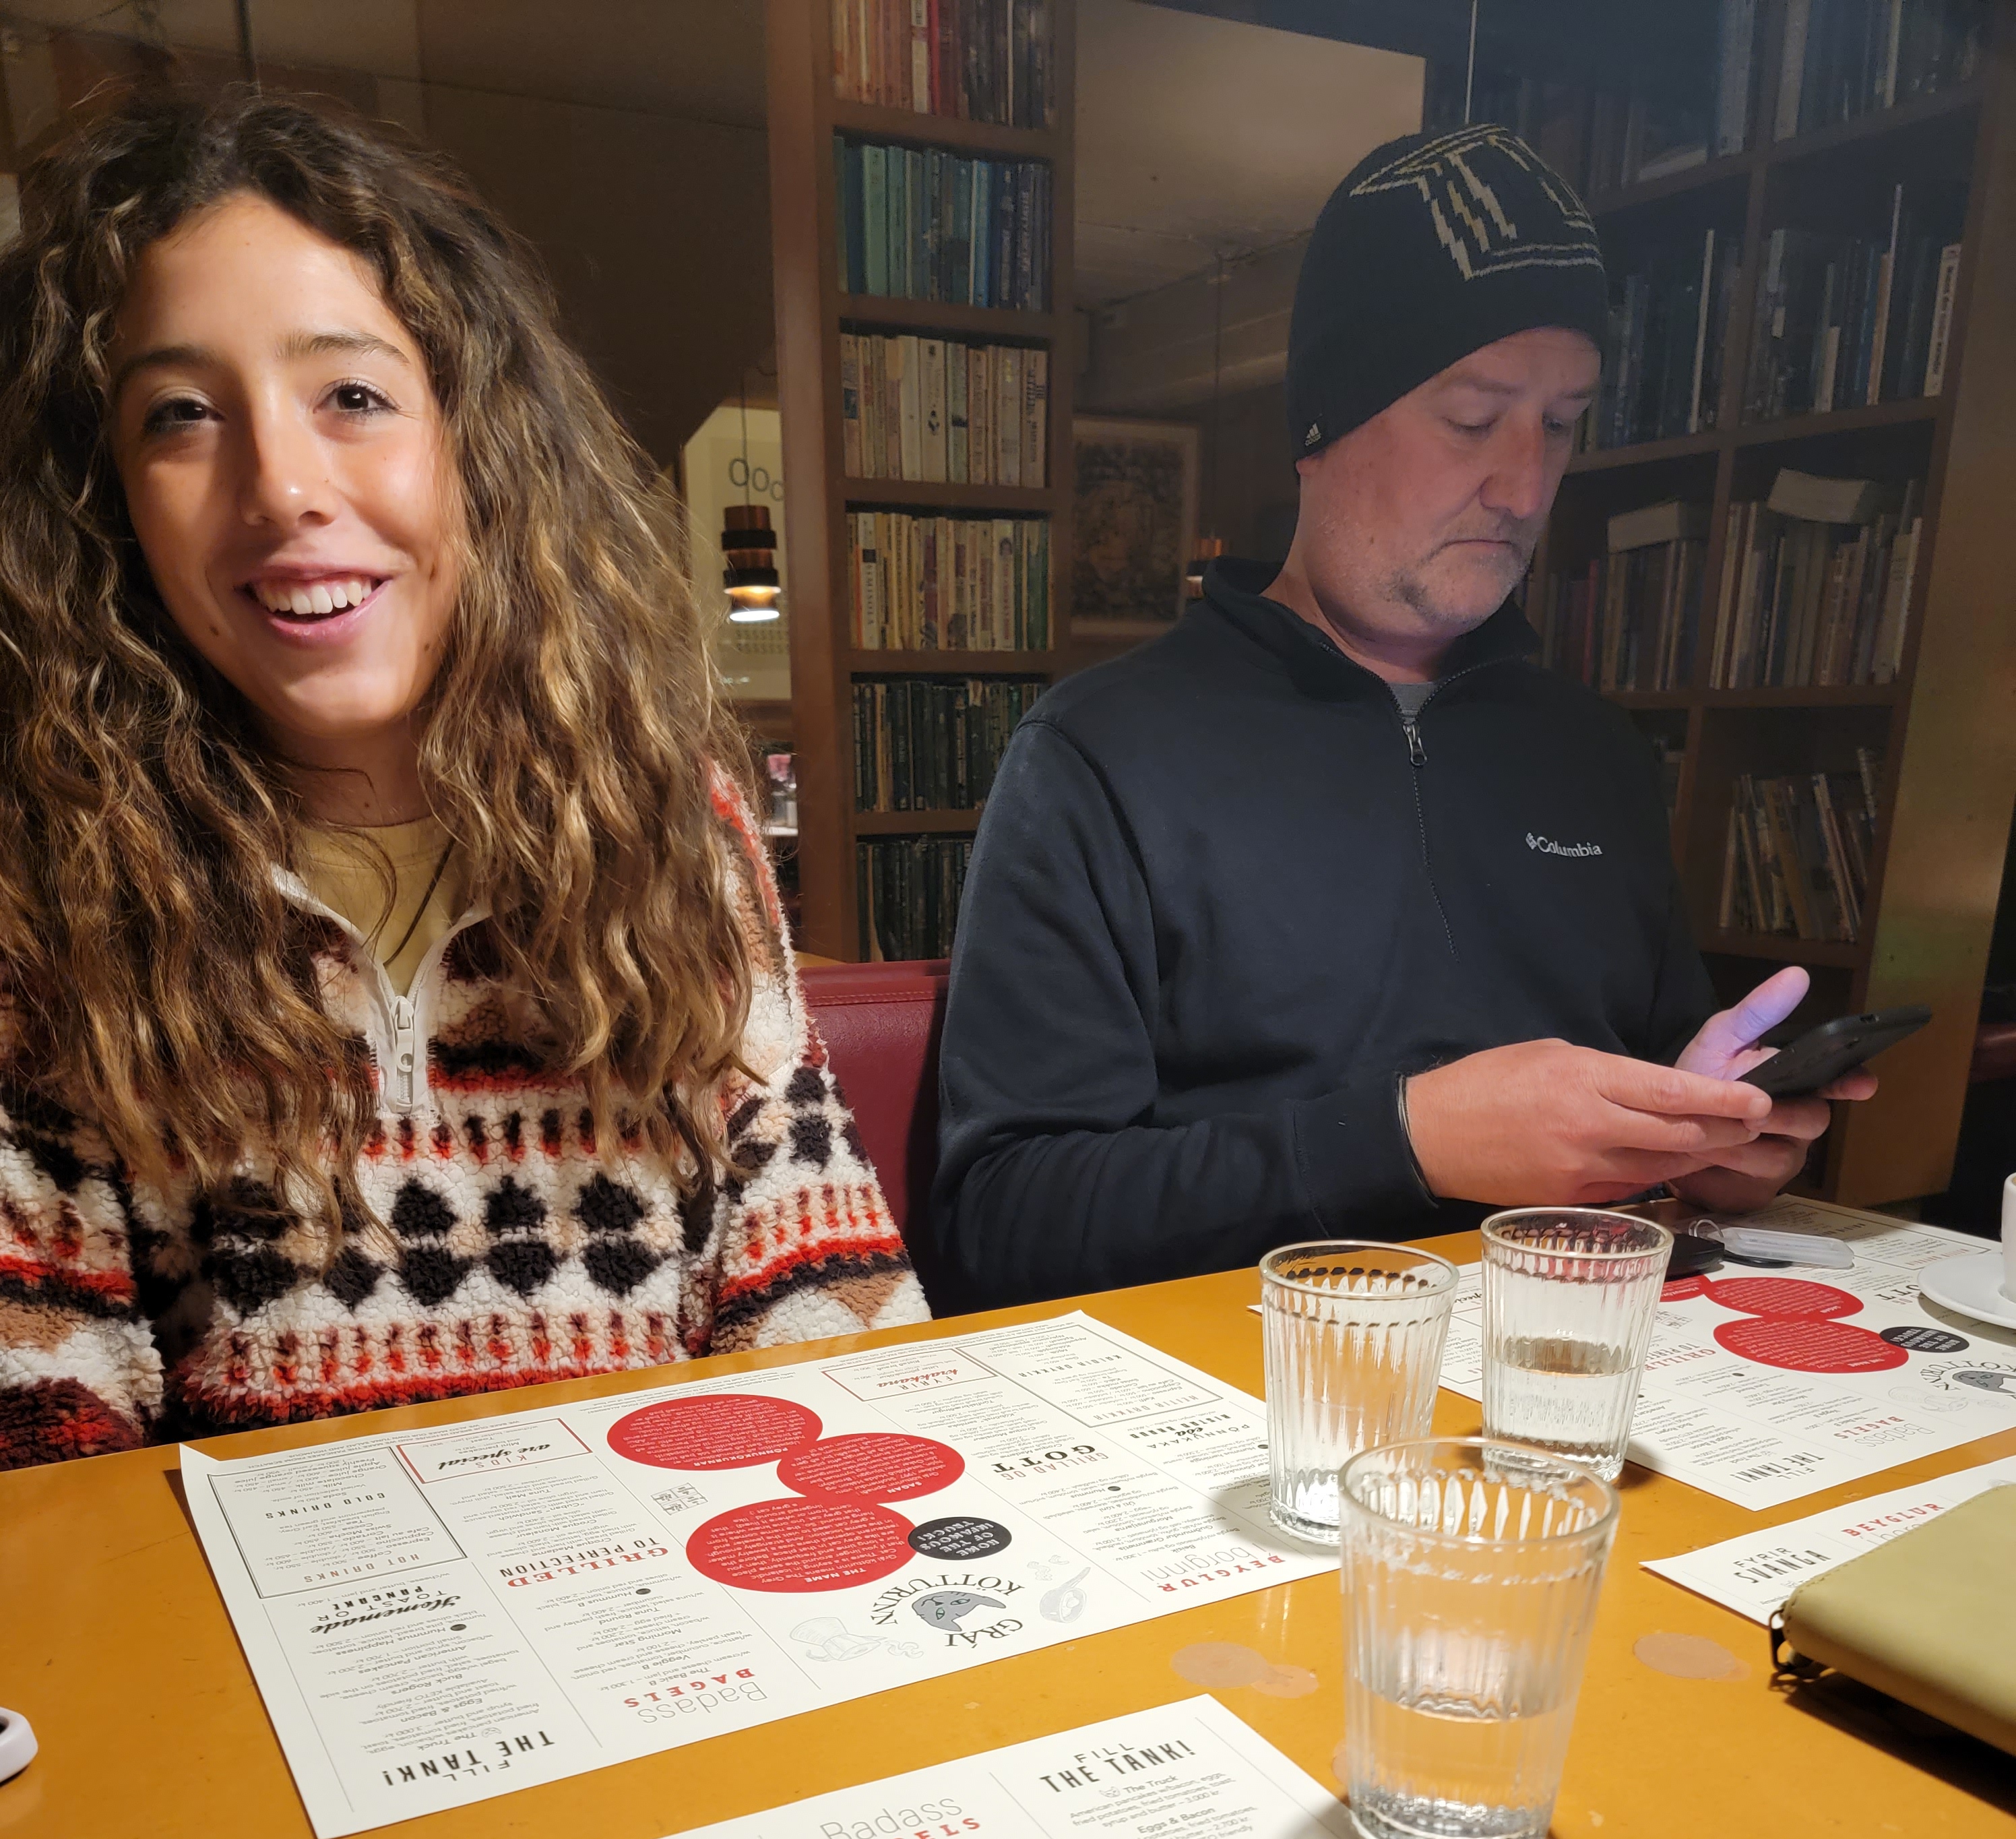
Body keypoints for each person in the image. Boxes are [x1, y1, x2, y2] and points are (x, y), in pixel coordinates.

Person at [0, 89, 926, 1472]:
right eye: (181, 415)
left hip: (668, 1564)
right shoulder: (53, 886)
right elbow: (39, 1436)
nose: (282, 486)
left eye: (353, 396)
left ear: (482, 447)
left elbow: (824, 1296)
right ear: (107, 499)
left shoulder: (671, 829)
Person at [932, 125, 1876, 1308]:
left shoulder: (1593, 754)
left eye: (1562, 423)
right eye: (1473, 420)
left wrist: (1707, 1142)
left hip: (1564, 1351)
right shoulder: (1099, 754)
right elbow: (1004, 1222)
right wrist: (1406, 1142)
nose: (1524, 487)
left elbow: (1657, 1113)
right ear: (1322, 426)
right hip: (1246, 1372)